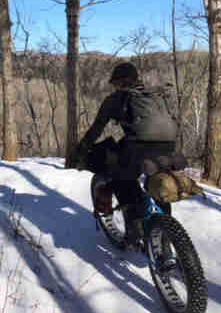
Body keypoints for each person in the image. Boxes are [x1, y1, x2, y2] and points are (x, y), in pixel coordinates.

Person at [73, 61, 178, 245]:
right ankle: (165, 232)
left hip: (139, 146)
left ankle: (135, 225)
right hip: (168, 145)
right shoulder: (154, 96)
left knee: (120, 175)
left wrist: (80, 151)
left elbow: (96, 129)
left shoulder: (117, 99)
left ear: (119, 82)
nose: (114, 87)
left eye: (114, 83)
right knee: (158, 183)